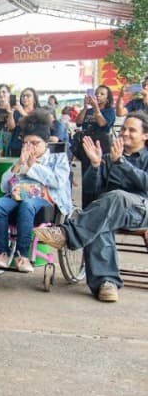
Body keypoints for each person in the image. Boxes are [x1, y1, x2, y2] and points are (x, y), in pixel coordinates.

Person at [36, 112, 148, 303]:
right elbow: (90, 196)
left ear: (145, 135)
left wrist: (121, 162)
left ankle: (68, 234)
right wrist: (95, 165)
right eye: (123, 129)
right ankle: (106, 283)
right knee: (99, 220)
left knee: (115, 198)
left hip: (142, 210)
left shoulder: (129, 158)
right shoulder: (108, 158)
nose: (125, 133)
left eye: (132, 130)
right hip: (110, 212)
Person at [0, 111, 72, 273]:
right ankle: (2, 253)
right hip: (18, 196)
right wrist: (19, 164)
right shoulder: (21, 158)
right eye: (26, 143)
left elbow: (58, 181)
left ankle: (23, 255)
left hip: (44, 200)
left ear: (46, 144)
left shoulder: (58, 158)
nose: (30, 147)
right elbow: (4, 187)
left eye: (35, 143)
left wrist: (34, 166)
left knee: (27, 205)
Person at [75, 84, 116, 207]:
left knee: (100, 175)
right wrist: (85, 107)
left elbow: (103, 124)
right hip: (86, 144)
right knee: (86, 176)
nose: (98, 95)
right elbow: (78, 122)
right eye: (96, 93)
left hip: (101, 146)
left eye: (102, 94)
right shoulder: (89, 110)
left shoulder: (109, 111)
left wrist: (96, 108)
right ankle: (86, 206)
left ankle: (99, 206)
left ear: (107, 98)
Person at [7, 87, 39, 155]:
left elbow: (37, 126)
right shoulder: (17, 111)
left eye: (28, 96)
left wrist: (22, 112)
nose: (25, 98)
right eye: (23, 96)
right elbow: (11, 127)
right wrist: (10, 113)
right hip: (17, 145)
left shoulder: (38, 112)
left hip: (33, 145)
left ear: (34, 99)